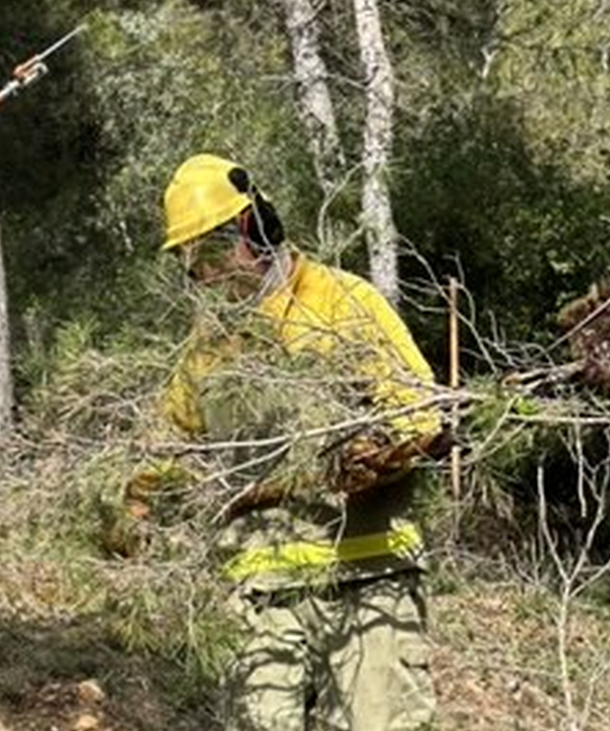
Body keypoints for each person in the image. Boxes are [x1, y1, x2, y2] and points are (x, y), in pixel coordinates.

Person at [150, 153, 446, 730]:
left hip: (369, 582)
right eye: (188, 263)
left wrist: (368, 459)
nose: (203, 275)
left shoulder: (344, 303)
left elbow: (420, 417)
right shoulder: (210, 344)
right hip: (260, 595)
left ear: (253, 228)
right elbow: (171, 442)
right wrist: (134, 503)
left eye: (209, 253)